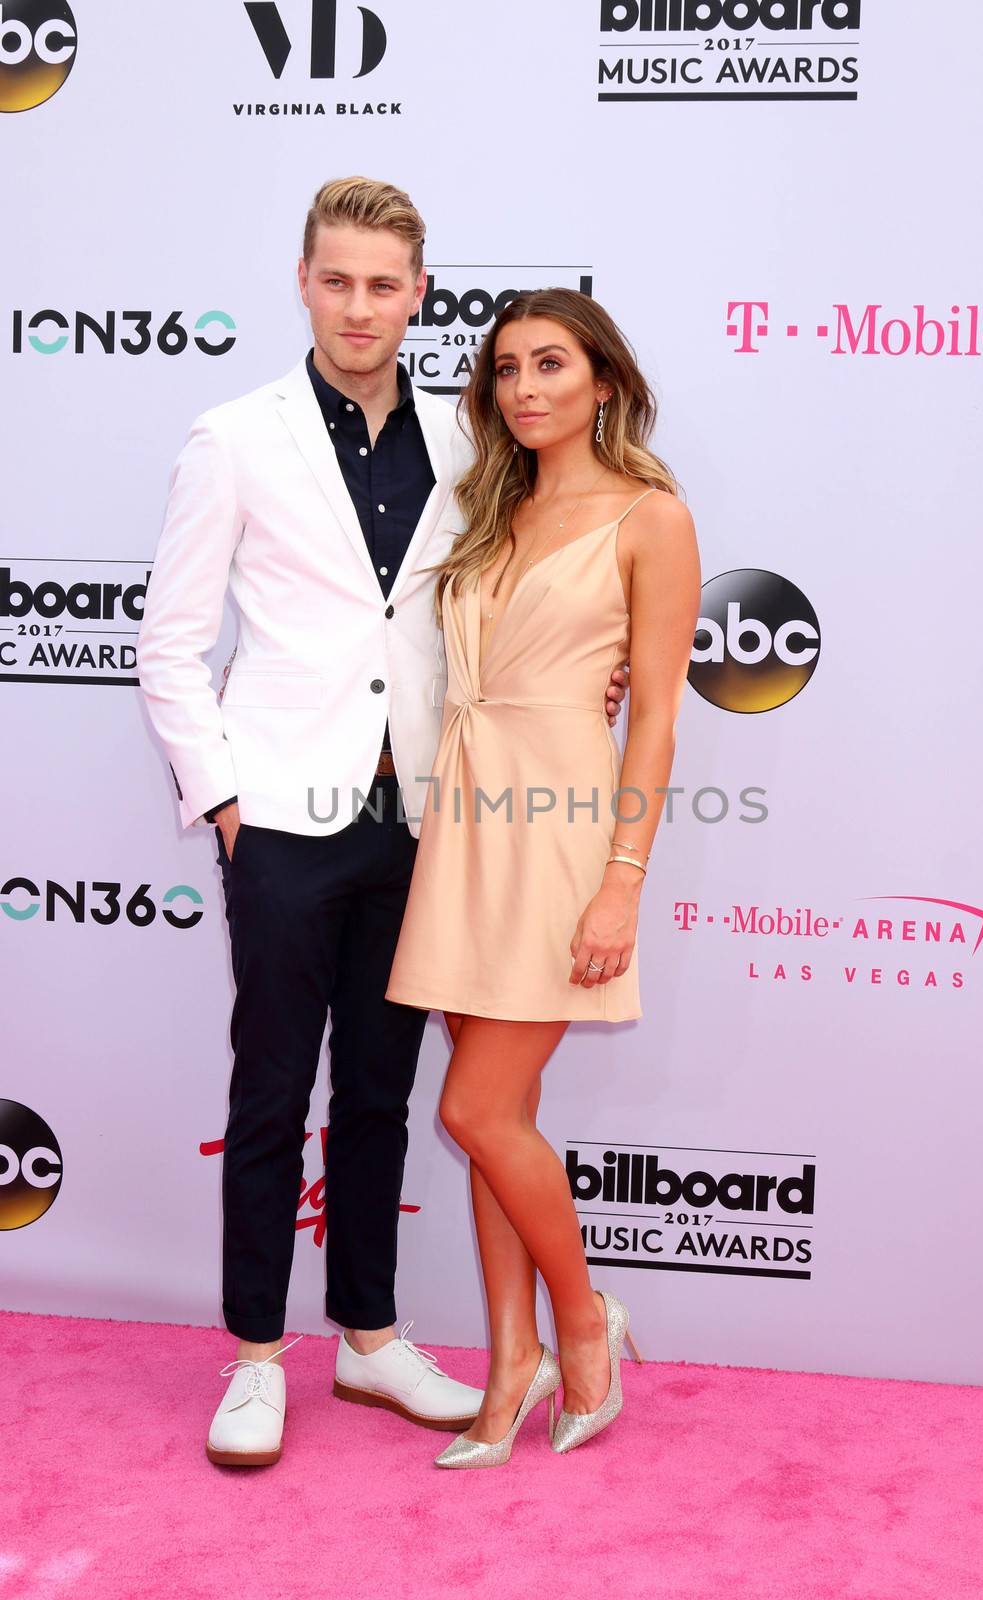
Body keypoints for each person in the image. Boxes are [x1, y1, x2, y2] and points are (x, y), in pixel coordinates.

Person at [137, 175, 631, 1468]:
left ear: (420, 294)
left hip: (426, 820)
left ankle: (367, 1334)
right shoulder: (232, 437)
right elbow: (171, 647)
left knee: (382, 1095)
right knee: (267, 1091)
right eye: (337, 280)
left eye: (384, 285)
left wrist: (597, 673)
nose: (360, 307)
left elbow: (529, 594)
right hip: (284, 821)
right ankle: (255, 1354)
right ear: (302, 282)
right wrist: (227, 803)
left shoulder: (473, 447)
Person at [386, 289, 701, 1468]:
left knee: (471, 1108)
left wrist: (620, 881)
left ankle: (584, 1323)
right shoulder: (482, 508)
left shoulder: (650, 517)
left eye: (552, 365)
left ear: (603, 381)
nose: (525, 388)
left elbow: (658, 718)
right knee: (497, 1118)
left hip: (563, 822)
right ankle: (508, 1364)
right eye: (507, 367)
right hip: (464, 818)